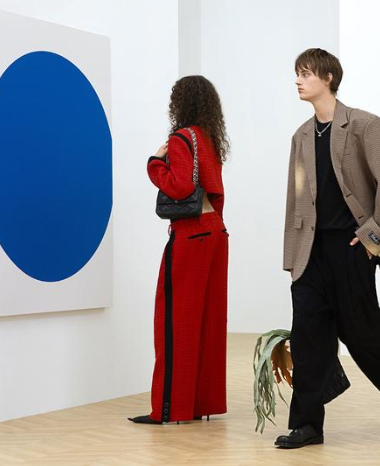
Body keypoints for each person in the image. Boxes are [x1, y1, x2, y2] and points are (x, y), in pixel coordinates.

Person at [275, 48, 380, 449]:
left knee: (360, 330)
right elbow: (297, 199)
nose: (298, 80)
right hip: (311, 251)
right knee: (307, 337)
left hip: (352, 246)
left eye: (305, 73)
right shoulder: (301, 136)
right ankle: (307, 424)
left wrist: (372, 238)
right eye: (297, 73)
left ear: (328, 78)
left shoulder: (365, 126)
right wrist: (292, 257)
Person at [130, 75, 230, 424]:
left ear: (180, 103)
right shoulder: (210, 139)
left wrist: (155, 164)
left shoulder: (181, 139)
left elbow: (180, 186)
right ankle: (200, 404)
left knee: (174, 322)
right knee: (208, 322)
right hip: (216, 232)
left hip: (191, 235)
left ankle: (168, 409)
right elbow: (214, 191)